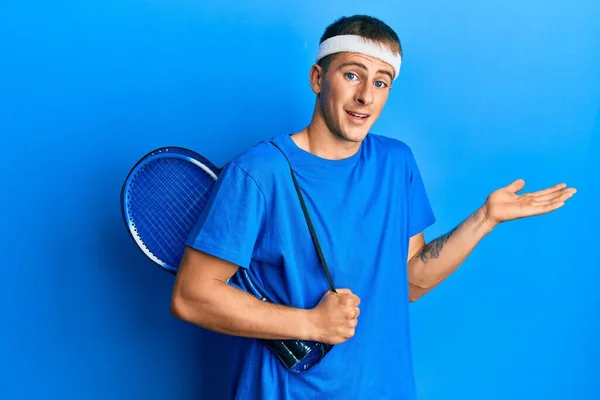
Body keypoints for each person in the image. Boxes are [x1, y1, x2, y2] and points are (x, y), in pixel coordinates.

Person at [169, 14, 576, 400]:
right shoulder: (259, 172)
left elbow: (411, 280)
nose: (365, 95)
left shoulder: (396, 163)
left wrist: (485, 219)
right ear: (317, 78)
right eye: (352, 75)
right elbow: (192, 295)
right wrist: (310, 323)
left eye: (381, 83)